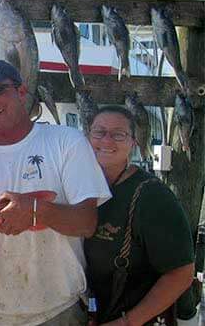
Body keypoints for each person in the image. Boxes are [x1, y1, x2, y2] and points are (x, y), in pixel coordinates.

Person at [0, 60, 112, 326]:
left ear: (22, 91)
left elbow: (86, 222)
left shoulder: (66, 142)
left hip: (58, 312)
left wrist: (38, 211)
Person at [83, 106, 195, 326]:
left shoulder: (152, 197)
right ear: (88, 136)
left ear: (133, 143)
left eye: (118, 134)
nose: (107, 140)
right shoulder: (80, 187)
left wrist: (127, 323)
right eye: (99, 132)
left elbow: (181, 273)